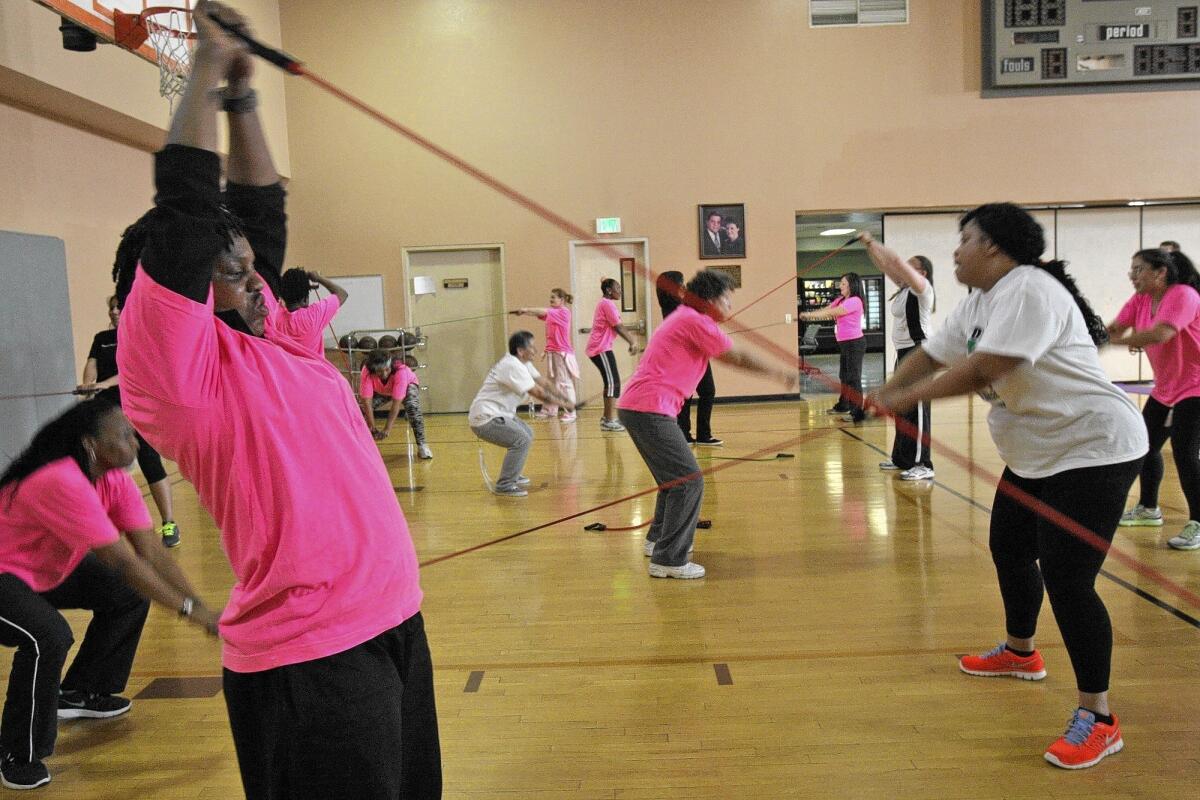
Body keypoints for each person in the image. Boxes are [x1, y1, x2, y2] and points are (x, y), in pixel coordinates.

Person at [110, 5, 440, 797]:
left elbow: (260, 215)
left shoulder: (276, 337)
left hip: (393, 621)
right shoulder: (179, 372)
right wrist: (202, 65)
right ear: (178, 294)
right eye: (231, 273)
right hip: (311, 658)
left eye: (254, 266)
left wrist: (242, 96)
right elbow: (189, 218)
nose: (257, 278)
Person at [866, 203, 1147, 769]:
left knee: (1069, 581)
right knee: (1010, 548)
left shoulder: (1028, 287)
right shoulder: (979, 301)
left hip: (1094, 450)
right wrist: (886, 389)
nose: (956, 250)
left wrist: (902, 400)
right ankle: (1022, 652)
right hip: (1038, 454)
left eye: (964, 238)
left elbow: (985, 368)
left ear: (994, 246)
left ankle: (1100, 717)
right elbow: (932, 354)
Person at [0, 399, 218, 790]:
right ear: (90, 444)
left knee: (125, 594)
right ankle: (17, 752)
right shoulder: (60, 479)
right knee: (48, 635)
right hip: (3, 577)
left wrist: (200, 605)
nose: (135, 444)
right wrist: (190, 612)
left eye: (134, 434)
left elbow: (149, 549)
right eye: (123, 436)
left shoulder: (112, 479)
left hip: (36, 574)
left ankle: (82, 690)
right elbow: (124, 562)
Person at [619, 269, 796, 579]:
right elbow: (736, 356)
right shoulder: (694, 320)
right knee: (689, 481)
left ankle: (658, 540)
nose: (730, 306)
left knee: (673, 481)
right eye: (727, 299)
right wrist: (776, 373)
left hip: (642, 407)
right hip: (648, 408)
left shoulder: (686, 317)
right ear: (711, 300)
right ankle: (669, 560)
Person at [1107, 248, 1200, 550]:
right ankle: (1149, 509)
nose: (1132, 276)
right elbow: (1113, 329)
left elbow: (1161, 334)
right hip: (1166, 388)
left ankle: (1198, 522)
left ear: (1160, 273)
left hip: (1196, 387)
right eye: (1131, 269)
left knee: (1185, 452)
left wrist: (1120, 342)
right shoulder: (1141, 300)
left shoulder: (1183, 294)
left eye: (1138, 269)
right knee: (1143, 446)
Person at [77, 295, 181, 547]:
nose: (113, 312)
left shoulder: (139, 338)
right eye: (111, 308)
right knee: (106, 468)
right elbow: (91, 365)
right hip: (107, 414)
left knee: (149, 461)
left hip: (137, 412)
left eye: (118, 307)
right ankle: (108, 526)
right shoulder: (101, 339)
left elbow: (129, 374)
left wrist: (103, 384)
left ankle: (168, 523)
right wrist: (90, 384)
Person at [861, 233, 936, 480]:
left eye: (910, 266)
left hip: (920, 353)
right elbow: (885, 264)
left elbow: (894, 261)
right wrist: (870, 247)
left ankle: (923, 464)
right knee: (901, 408)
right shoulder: (903, 289)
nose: (904, 269)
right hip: (903, 353)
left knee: (918, 411)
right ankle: (902, 458)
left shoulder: (922, 290)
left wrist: (874, 241)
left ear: (921, 273)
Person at [469, 331, 575, 497]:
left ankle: (514, 473)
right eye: (531, 347)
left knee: (527, 433)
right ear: (520, 350)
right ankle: (505, 485)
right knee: (521, 440)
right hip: (485, 418)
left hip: (500, 414)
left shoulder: (522, 363)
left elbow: (544, 383)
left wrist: (566, 398)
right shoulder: (512, 365)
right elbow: (537, 392)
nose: (535, 350)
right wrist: (564, 405)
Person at [657, 271, 721, 445]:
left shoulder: (681, 306)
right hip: (687, 358)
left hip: (696, 356)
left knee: (703, 391)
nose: (685, 287)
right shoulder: (676, 308)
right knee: (694, 393)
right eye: (682, 283)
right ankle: (689, 434)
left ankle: (699, 435)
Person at [799, 272, 867, 423]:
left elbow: (834, 312)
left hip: (854, 343)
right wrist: (808, 314)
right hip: (845, 344)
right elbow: (827, 310)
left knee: (853, 378)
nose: (840, 286)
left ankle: (857, 413)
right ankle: (843, 405)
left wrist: (809, 316)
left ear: (851, 285)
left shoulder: (855, 301)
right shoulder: (841, 300)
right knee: (844, 375)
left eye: (843, 283)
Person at [513, 288, 578, 421]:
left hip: (562, 352)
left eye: (554, 297)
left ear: (562, 300)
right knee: (552, 382)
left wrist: (525, 309)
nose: (551, 299)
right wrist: (525, 313)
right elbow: (540, 313)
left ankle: (571, 412)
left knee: (564, 383)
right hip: (552, 351)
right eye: (551, 297)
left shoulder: (563, 312)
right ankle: (549, 409)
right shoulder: (553, 313)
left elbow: (543, 311)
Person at [585, 278, 640, 432]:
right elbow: (619, 327)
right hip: (599, 348)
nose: (620, 291)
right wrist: (632, 341)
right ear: (609, 290)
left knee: (612, 382)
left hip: (602, 348)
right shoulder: (606, 304)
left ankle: (607, 418)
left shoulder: (607, 304)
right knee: (612, 383)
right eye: (618, 288)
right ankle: (609, 420)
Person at [359, 348, 432, 459]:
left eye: (387, 370)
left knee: (412, 407)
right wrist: (372, 428)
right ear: (373, 369)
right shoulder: (367, 372)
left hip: (407, 386)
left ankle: (422, 445)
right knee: (358, 410)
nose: (384, 374)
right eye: (379, 371)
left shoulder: (401, 371)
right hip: (383, 390)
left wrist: (387, 429)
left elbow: (396, 403)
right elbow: (367, 402)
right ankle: (361, 445)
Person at [272, 267, 348, 357]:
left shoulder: (275, 314)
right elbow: (342, 294)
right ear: (305, 299)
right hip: (315, 370)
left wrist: (295, 283)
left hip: (286, 370)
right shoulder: (314, 314)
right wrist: (319, 278)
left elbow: (277, 291)